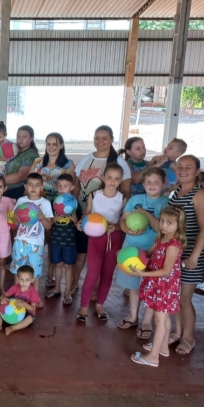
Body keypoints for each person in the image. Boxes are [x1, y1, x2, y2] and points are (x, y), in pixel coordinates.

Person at [73, 125, 132, 295]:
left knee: (102, 258)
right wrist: (77, 212)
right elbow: (77, 186)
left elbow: (126, 191)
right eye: (97, 138)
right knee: (82, 253)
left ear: (112, 139)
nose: (100, 141)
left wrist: (120, 220)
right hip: (86, 215)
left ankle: (96, 289)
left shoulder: (119, 163)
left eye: (104, 138)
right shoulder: (86, 159)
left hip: (109, 222)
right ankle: (74, 283)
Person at [167, 155, 204, 355]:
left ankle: (188, 337)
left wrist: (194, 257)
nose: (183, 170)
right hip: (176, 254)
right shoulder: (177, 191)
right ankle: (178, 332)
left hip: (192, 256)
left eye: (189, 167)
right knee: (175, 296)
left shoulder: (201, 194)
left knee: (185, 299)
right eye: (180, 167)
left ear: (197, 171)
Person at [128, 206, 186, 368]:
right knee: (164, 318)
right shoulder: (162, 238)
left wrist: (142, 274)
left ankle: (153, 357)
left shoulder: (173, 245)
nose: (164, 225)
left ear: (178, 226)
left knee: (159, 320)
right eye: (162, 221)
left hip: (164, 286)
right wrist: (130, 254)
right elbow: (147, 254)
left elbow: (166, 271)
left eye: (169, 223)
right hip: (157, 285)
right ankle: (163, 348)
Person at [116, 167, 169, 338]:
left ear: (163, 184)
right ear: (143, 183)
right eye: (148, 182)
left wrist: (144, 213)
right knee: (133, 286)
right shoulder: (136, 199)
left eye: (156, 182)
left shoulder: (165, 203)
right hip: (131, 250)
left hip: (153, 252)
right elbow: (123, 221)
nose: (152, 185)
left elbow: (161, 228)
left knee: (149, 287)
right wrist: (127, 230)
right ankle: (133, 316)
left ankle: (146, 321)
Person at [76, 163, 126, 322]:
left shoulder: (123, 198)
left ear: (120, 180)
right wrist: (81, 222)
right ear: (103, 178)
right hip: (96, 238)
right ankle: (83, 306)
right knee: (93, 272)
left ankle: (100, 304)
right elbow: (87, 213)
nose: (112, 181)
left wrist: (116, 226)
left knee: (107, 273)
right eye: (109, 177)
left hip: (114, 237)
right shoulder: (94, 194)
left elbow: (124, 221)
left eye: (116, 179)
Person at [31, 132, 75, 289]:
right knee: (38, 241)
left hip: (59, 211)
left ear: (61, 145)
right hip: (40, 207)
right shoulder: (38, 164)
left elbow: (72, 190)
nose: (51, 147)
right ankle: (32, 273)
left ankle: (50, 275)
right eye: (48, 144)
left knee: (52, 242)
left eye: (55, 144)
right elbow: (30, 184)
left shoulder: (68, 165)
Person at [10, 173, 53, 297]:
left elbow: (49, 226)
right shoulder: (21, 201)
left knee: (35, 271)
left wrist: (42, 218)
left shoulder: (45, 203)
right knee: (18, 270)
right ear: (25, 186)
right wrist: (16, 218)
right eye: (30, 185)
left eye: (37, 185)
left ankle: (35, 296)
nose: (33, 188)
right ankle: (17, 294)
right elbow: (14, 222)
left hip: (36, 244)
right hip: (20, 242)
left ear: (42, 187)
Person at [47, 174, 79, 304]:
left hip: (69, 241)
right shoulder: (53, 203)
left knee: (68, 266)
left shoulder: (74, 204)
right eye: (59, 186)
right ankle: (57, 288)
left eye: (65, 186)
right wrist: (54, 219)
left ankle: (67, 291)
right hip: (56, 239)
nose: (62, 189)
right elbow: (49, 222)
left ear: (72, 187)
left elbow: (79, 224)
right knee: (58, 265)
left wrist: (74, 219)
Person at [0, 265, 41, 336]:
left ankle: (12, 328)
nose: (24, 283)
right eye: (21, 279)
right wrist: (3, 299)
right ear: (17, 278)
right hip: (13, 311)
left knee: (31, 318)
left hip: (25, 314)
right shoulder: (15, 287)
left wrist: (24, 304)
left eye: (27, 280)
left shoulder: (33, 292)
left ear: (32, 280)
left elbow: (33, 308)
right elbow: (4, 295)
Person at [3, 125, 39, 200]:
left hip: (17, 191)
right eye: (18, 136)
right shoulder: (14, 150)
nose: (21, 139)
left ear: (31, 138)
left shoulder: (31, 155)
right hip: (4, 189)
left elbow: (20, 177)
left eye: (24, 137)